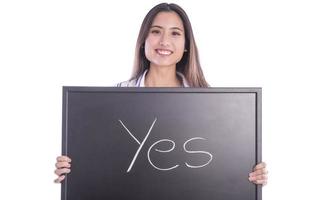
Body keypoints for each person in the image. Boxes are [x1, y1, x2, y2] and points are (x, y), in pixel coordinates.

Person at [54, 3, 268, 185]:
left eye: (175, 33)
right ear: (143, 40)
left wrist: (250, 176)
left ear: (186, 45)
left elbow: (223, 163)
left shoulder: (210, 104)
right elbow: (100, 158)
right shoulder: (114, 98)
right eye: (156, 31)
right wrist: (73, 169)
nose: (165, 41)